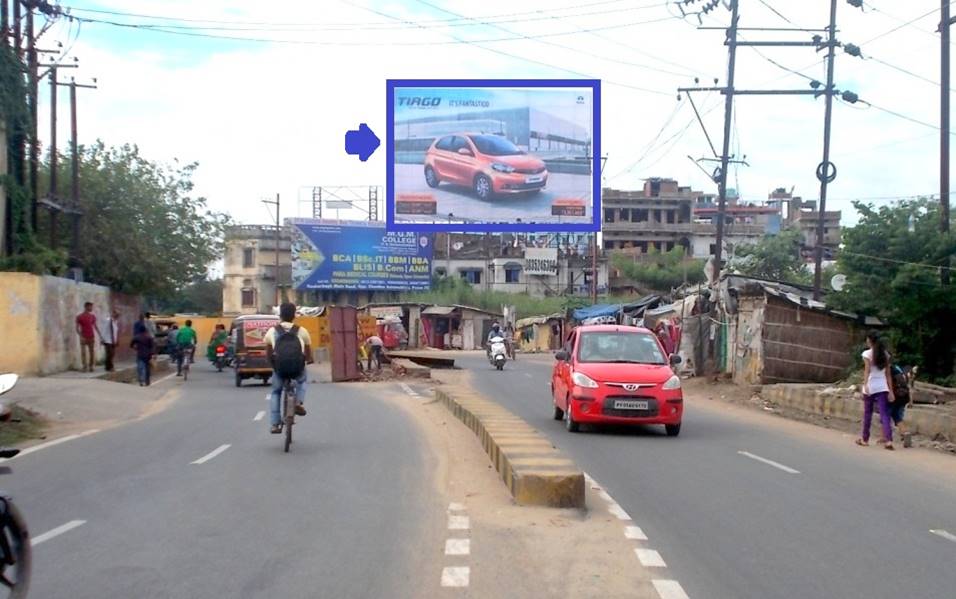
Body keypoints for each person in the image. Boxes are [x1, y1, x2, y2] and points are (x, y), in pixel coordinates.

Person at [265, 302, 313, 434]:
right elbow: (308, 352)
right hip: (297, 368)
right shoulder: (302, 331)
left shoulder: (272, 331)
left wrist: (272, 364)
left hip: (280, 369)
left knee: (276, 392)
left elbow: (269, 352)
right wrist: (308, 361)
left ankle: (275, 424)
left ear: (280, 315)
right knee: (302, 381)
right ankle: (299, 402)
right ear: (294, 315)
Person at [857, 331, 896, 450]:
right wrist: (891, 391)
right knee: (884, 414)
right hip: (882, 386)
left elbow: (867, 371)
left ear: (869, 340)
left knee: (867, 413)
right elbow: (888, 374)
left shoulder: (867, 354)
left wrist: (865, 385)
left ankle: (865, 439)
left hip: (871, 386)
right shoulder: (885, 355)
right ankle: (888, 440)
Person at [75, 302, 99, 372]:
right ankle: (84, 367)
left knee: (91, 352)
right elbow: (76, 328)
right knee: (83, 353)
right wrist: (80, 336)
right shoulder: (79, 316)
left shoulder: (93, 316)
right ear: (86, 307)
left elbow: (95, 326)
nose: (91, 308)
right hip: (83, 337)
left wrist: (100, 335)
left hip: (91, 336)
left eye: (91, 307)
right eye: (90, 307)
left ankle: (91, 366)